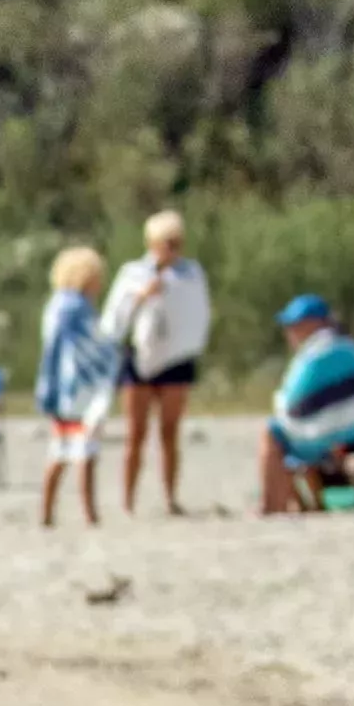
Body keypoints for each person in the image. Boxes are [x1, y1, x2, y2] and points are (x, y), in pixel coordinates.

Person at [107, 210, 215, 512]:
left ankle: (170, 498)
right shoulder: (132, 273)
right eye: (166, 242)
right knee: (135, 433)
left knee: (170, 433)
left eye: (176, 242)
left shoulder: (191, 274)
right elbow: (116, 317)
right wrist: (143, 296)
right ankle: (128, 501)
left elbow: (197, 313)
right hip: (140, 356)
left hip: (176, 358)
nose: (172, 249)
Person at [257, 296, 354, 511]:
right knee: (294, 438)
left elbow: (289, 405)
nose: (288, 331)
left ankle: (271, 506)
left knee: (272, 433)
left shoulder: (316, 353)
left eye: (293, 325)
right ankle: (309, 505)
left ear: (313, 324)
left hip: (346, 438)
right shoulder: (347, 346)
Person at [32, 245, 126, 528]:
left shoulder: (56, 306)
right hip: (78, 391)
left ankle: (47, 513)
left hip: (58, 391)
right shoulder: (76, 309)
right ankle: (89, 514)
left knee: (59, 451)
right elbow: (96, 345)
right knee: (85, 453)